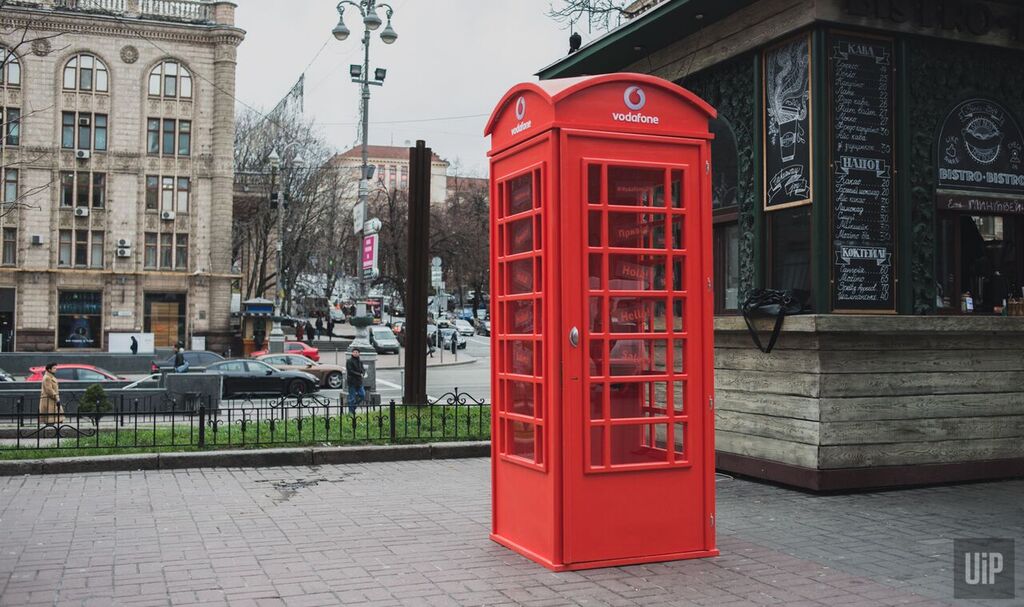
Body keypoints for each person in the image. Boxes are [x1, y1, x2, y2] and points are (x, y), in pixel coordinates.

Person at [346, 349, 365, 415]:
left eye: (357, 352)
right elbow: (350, 371)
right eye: (354, 352)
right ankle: (351, 412)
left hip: (359, 382)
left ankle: (354, 406)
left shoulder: (360, 361)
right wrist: (359, 374)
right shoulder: (349, 361)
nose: (355, 353)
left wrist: (363, 373)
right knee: (352, 397)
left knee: (362, 395)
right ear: (352, 353)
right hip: (352, 382)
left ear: (359, 353)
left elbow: (362, 369)